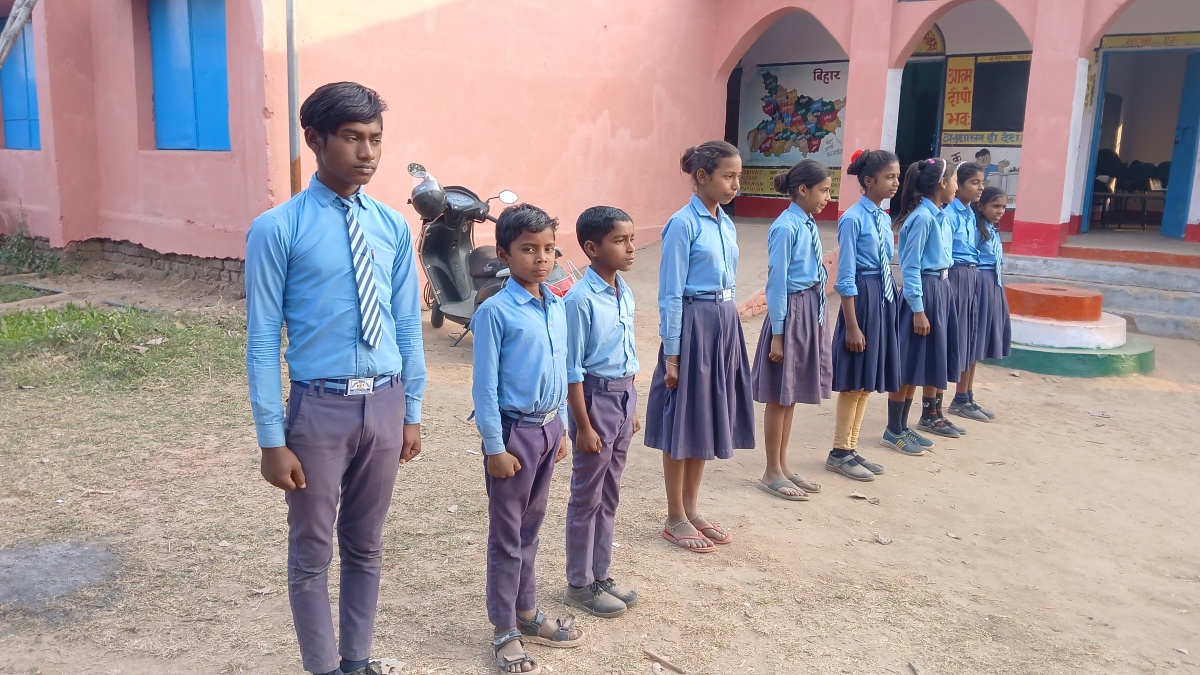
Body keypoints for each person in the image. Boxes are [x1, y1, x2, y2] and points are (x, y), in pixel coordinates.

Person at [244, 82, 426, 675]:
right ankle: (321, 667)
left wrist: (412, 410)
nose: (367, 152)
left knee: (366, 544)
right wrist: (273, 439)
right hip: (318, 410)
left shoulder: (393, 228)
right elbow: (263, 339)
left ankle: (357, 660)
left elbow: (405, 325)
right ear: (315, 140)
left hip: (384, 403)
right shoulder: (279, 228)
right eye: (352, 138)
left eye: (375, 139)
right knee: (312, 550)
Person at [472, 204, 583, 674]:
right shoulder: (496, 312)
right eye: (528, 249)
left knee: (532, 528)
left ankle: (528, 611)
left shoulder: (557, 305)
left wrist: (560, 429)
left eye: (549, 249)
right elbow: (485, 387)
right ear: (503, 253)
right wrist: (495, 447)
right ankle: (504, 629)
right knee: (507, 535)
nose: (541, 258)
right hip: (513, 436)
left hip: (548, 428)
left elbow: (563, 368)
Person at [646, 140, 755, 552]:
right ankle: (674, 515)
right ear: (702, 177)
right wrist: (672, 352)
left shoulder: (724, 222)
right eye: (728, 176)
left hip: (723, 325)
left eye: (738, 177)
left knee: (707, 416)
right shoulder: (682, 224)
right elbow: (671, 293)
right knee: (682, 419)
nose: (735, 185)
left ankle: (693, 509)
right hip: (692, 326)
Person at [561, 206, 640, 618]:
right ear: (592, 248)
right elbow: (572, 370)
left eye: (631, 238)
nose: (631, 248)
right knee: (587, 494)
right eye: (619, 240)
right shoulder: (579, 300)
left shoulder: (621, 289)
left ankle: (600, 573)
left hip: (623, 398)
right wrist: (584, 423)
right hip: (594, 399)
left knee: (610, 493)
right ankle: (579, 583)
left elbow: (625, 351)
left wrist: (631, 406)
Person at [750, 159, 833, 500]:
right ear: (803, 190)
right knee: (779, 395)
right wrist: (779, 334)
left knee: (792, 394)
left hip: (809, 308)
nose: (828, 197)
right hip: (791, 313)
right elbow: (777, 283)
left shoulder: (807, 223)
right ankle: (771, 471)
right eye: (824, 190)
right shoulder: (786, 227)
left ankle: (783, 466)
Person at [827, 149, 907, 482]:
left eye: (897, 177)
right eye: (889, 177)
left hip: (882, 297)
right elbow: (845, 276)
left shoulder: (879, 215)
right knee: (854, 380)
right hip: (861, 299)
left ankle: (852, 446)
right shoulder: (853, 218)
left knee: (866, 383)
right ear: (869, 181)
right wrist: (852, 325)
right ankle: (839, 451)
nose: (896, 183)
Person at [882, 158, 962, 456]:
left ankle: (903, 427)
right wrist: (917, 308)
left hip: (939, 289)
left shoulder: (938, 215)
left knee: (919, 363)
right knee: (908, 363)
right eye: (954, 180)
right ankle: (893, 429)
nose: (956, 185)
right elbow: (911, 266)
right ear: (942, 184)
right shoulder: (922, 219)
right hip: (924, 293)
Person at [945, 162, 988, 428]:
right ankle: (937, 407)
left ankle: (964, 395)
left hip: (972, 274)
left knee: (970, 336)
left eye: (982, 182)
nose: (981, 188)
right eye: (974, 182)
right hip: (956, 275)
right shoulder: (948, 214)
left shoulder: (970, 213)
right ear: (956, 185)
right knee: (953, 338)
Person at [970, 186, 1012, 416]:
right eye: (995, 206)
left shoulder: (993, 230)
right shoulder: (976, 230)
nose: (1000, 211)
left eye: (1004, 207)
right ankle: (961, 396)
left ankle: (967, 395)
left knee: (981, 341)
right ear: (981, 206)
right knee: (973, 339)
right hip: (980, 283)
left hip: (994, 283)